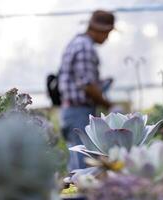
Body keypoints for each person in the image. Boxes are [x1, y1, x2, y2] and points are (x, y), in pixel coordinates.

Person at [58, 10, 115, 171]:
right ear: (99, 29)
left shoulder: (76, 42)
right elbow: (87, 85)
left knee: (76, 164)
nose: (107, 38)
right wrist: (109, 105)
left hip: (71, 111)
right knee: (86, 168)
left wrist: (102, 84)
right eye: (107, 33)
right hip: (79, 112)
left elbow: (79, 80)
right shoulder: (85, 47)